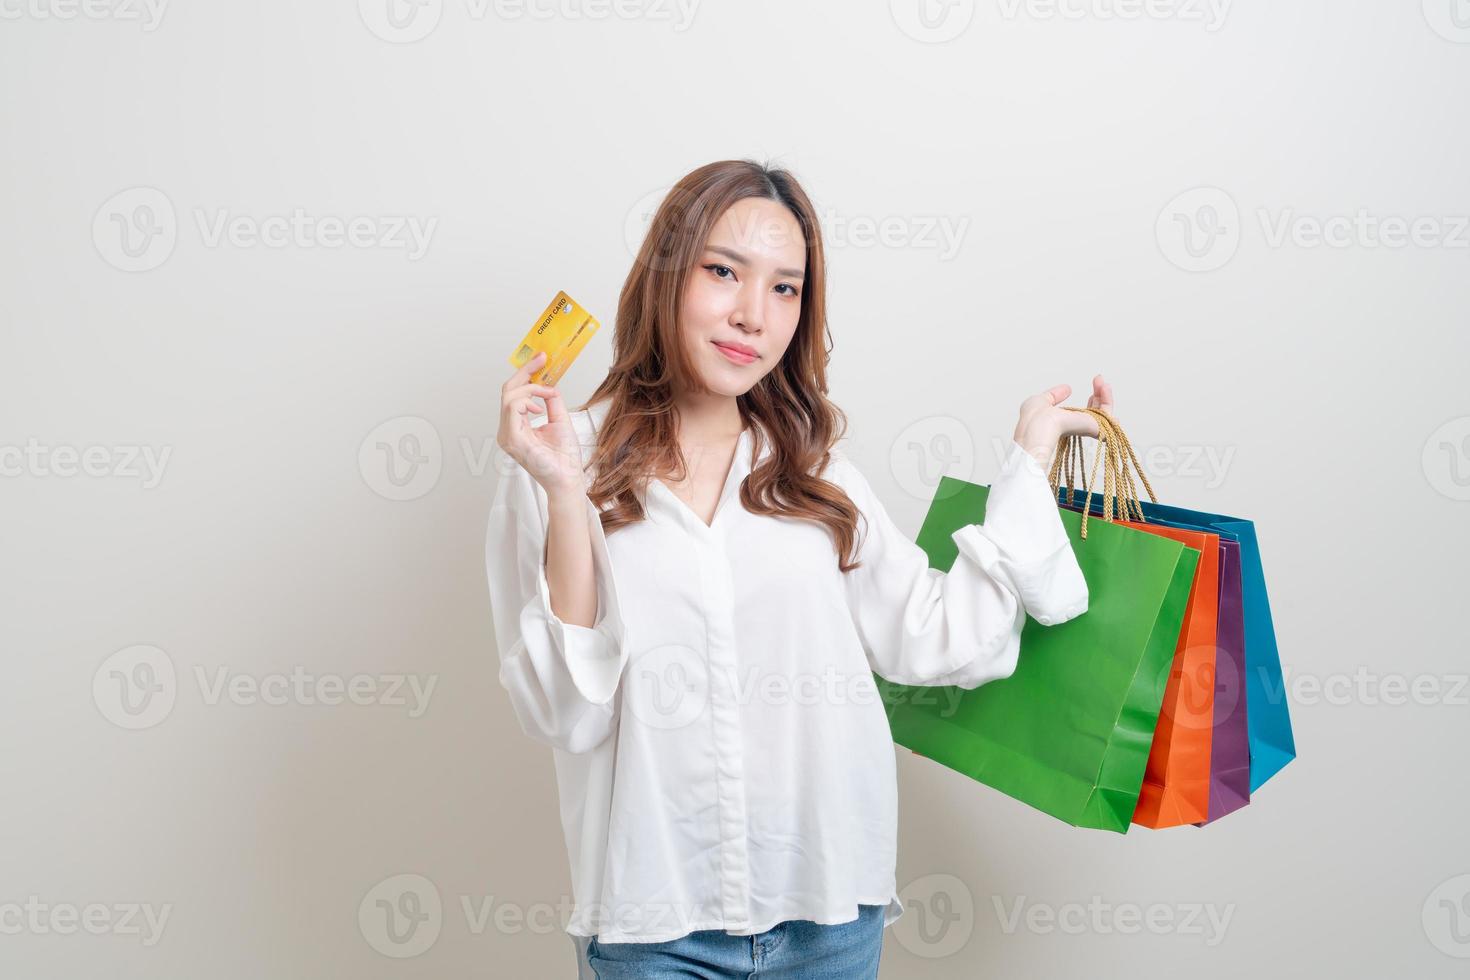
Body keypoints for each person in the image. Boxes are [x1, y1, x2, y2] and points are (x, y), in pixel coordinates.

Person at [486, 159, 1107, 978]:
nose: (752, 314)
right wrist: (566, 494)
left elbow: (941, 639)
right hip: (652, 923)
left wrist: (1028, 463)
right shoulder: (560, 461)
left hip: (828, 922)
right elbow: (567, 714)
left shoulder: (815, 471)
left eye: (786, 289)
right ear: (665, 275)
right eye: (722, 272)